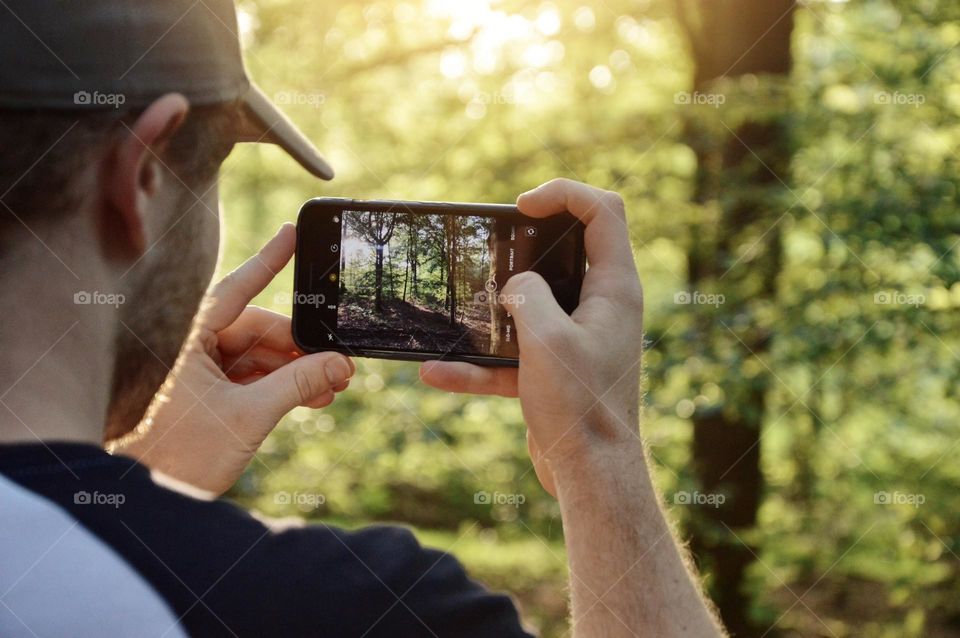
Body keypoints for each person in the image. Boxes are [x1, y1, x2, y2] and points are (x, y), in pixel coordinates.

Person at [0, 1, 726, 636]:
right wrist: (597, 450)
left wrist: (132, 490)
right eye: (213, 169)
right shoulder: (360, 610)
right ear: (143, 177)